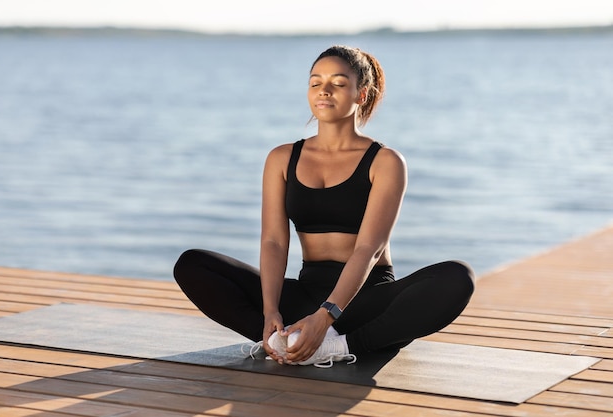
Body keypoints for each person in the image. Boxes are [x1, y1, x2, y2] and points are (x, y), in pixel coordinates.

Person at [174, 45, 475, 367]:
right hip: (305, 294)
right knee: (193, 264)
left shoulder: (385, 161)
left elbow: (370, 248)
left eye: (339, 83)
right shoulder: (282, 157)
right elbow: (274, 241)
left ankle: (338, 347)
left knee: (457, 277)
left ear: (362, 94)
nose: (324, 91)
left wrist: (326, 315)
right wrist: (270, 310)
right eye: (315, 82)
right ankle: (278, 340)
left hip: (365, 299)